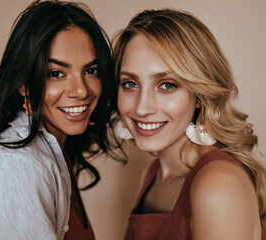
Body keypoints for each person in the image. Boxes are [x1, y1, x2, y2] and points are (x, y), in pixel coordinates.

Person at [0, 1, 120, 239]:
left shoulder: (58, 150)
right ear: (23, 83)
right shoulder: (16, 167)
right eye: (56, 73)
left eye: (91, 70)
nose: (80, 90)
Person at [113, 9, 266, 239]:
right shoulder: (151, 174)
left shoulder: (217, 183)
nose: (142, 108)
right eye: (130, 83)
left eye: (167, 85)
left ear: (200, 95)